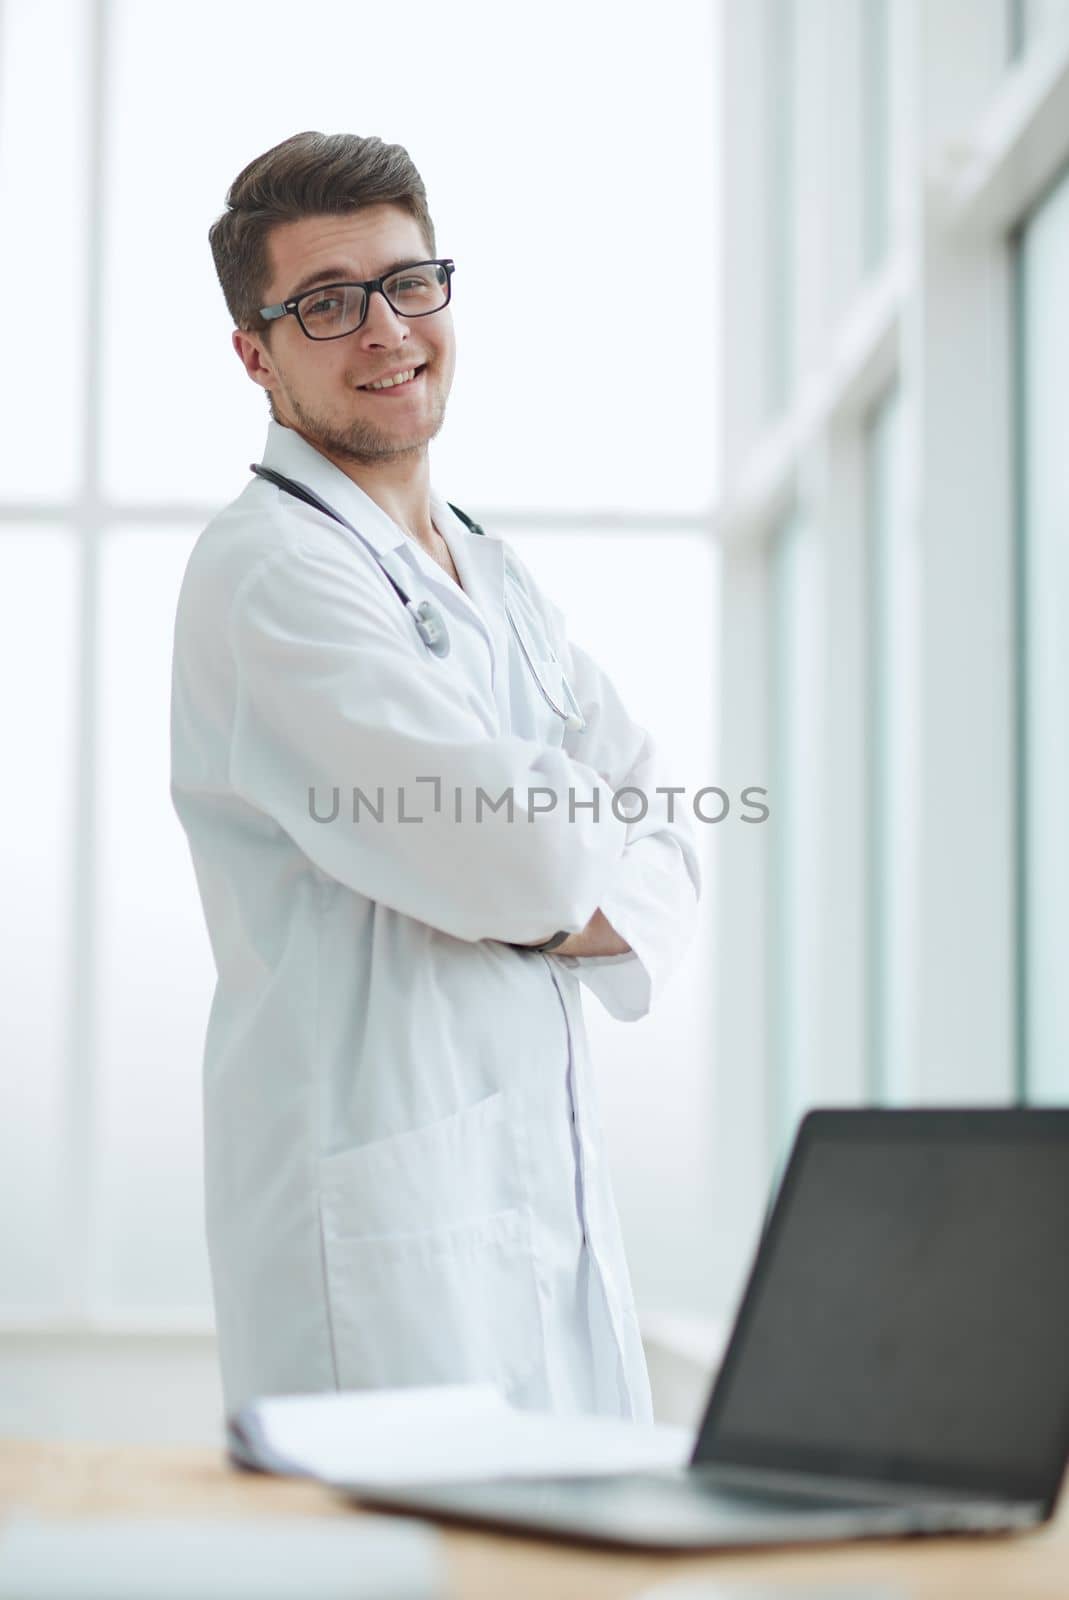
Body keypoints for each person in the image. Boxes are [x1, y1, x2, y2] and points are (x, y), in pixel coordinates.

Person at [170, 130, 700, 1420]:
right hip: (382, 1234)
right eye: (329, 304)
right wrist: (556, 843)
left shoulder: (489, 566)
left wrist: (550, 842)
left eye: (410, 285)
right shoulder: (271, 575)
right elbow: (516, 858)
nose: (387, 330)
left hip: (535, 1200)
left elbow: (666, 845)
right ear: (258, 352)